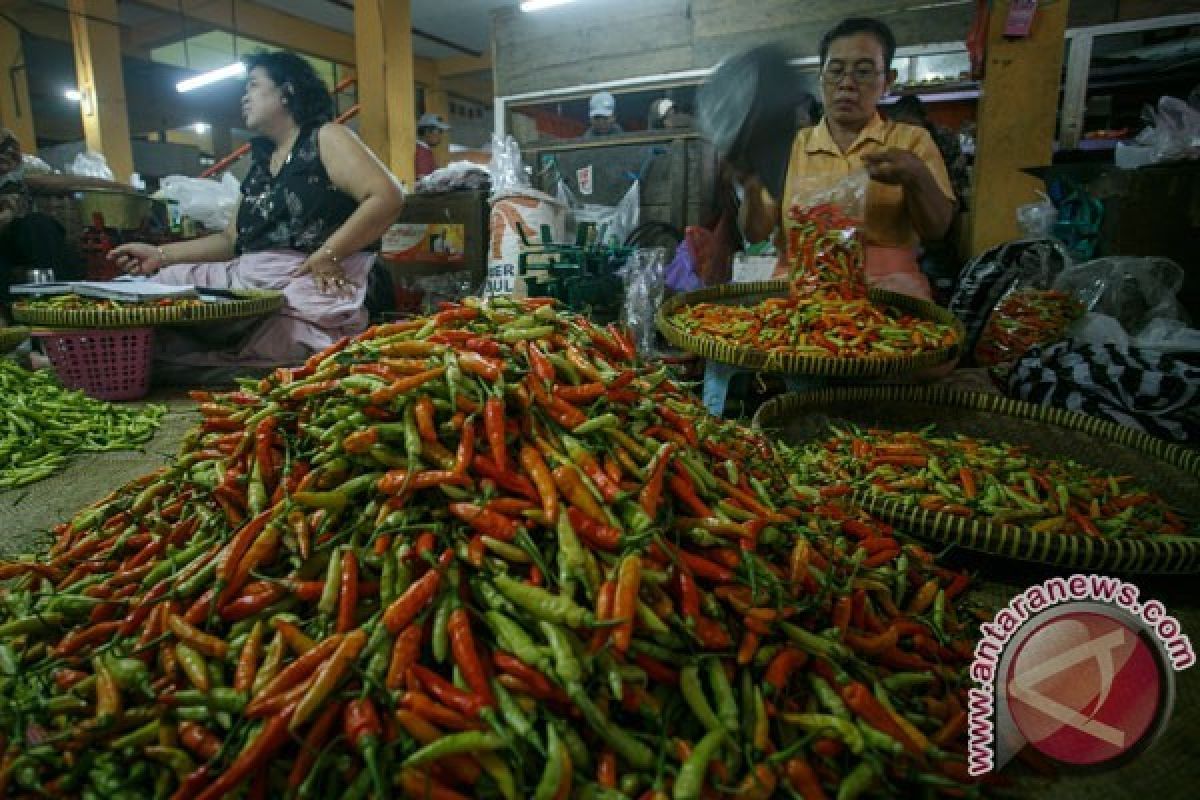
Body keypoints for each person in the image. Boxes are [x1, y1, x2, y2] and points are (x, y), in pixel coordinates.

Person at [108, 51, 404, 372]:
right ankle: (107, 358)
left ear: (286, 91)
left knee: (283, 338)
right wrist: (160, 254)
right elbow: (230, 240)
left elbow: (386, 197)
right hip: (249, 272)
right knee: (152, 291)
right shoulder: (260, 164)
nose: (244, 97)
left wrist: (328, 254)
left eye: (252, 86)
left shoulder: (326, 137)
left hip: (312, 273)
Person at [743, 17, 955, 299]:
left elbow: (937, 229)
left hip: (889, 294)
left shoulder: (911, 142)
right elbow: (755, 234)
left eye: (864, 72)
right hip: (798, 292)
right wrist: (751, 185)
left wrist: (916, 176)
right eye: (836, 71)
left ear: (887, 81)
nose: (847, 84)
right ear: (821, 77)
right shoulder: (788, 148)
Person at [888, 95, 968, 208]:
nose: (908, 134)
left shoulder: (943, 139)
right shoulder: (889, 138)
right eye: (902, 129)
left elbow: (957, 190)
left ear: (925, 123)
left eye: (912, 128)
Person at [415, 112, 450, 180]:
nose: (440, 136)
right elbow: (423, 180)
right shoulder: (422, 152)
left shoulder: (425, 150)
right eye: (438, 131)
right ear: (427, 131)